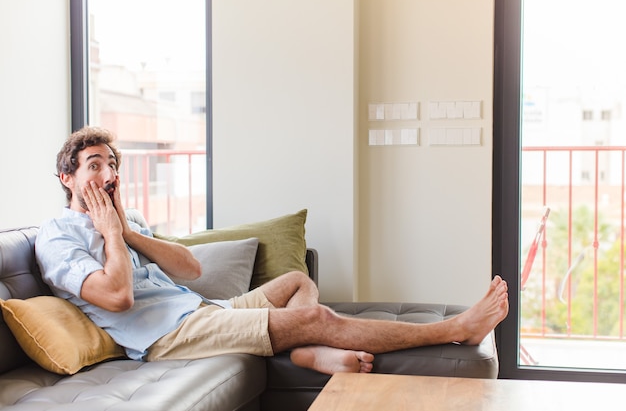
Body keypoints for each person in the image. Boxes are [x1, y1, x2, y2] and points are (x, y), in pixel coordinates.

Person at [35, 126, 509, 375]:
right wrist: (109, 234)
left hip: (201, 309)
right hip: (165, 338)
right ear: (67, 178)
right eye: (94, 165)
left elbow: (191, 266)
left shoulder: (127, 221)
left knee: (297, 282)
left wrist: (126, 229)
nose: (107, 174)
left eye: (112, 164)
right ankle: (456, 329)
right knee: (317, 315)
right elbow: (117, 298)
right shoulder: (57, 236)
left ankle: (307, 354)